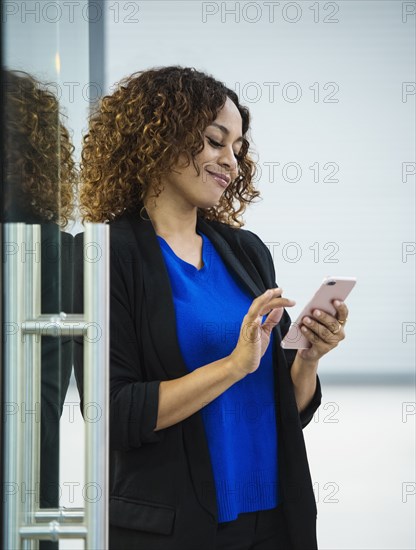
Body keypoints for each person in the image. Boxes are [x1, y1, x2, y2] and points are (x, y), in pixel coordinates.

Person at [73, 65, 349, 550]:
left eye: (238, 149)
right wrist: (234, 366)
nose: (232, 161)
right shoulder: (105, 254)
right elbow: (115, 413)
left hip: (275, 519)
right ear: (159, 136)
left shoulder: (246, 251)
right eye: (215, 141)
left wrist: (308, 357)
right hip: (174, 527)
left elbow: (287, 407)